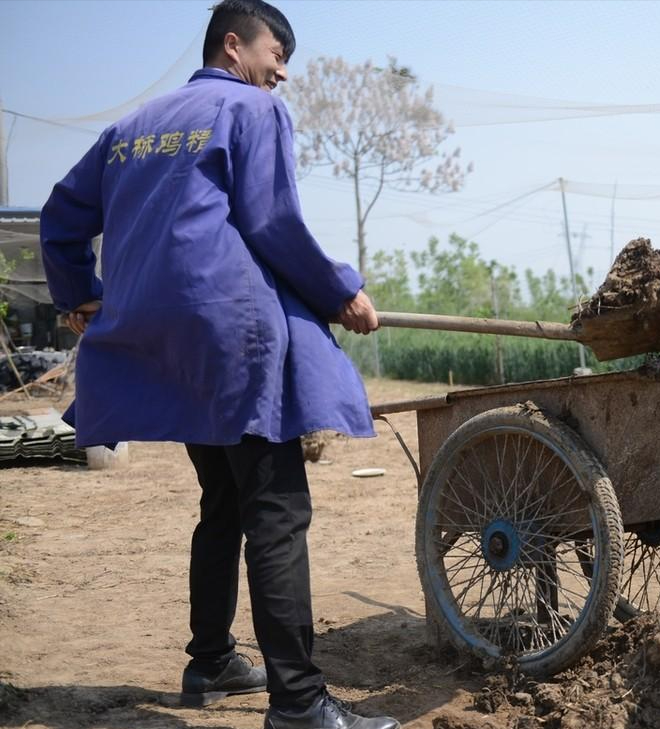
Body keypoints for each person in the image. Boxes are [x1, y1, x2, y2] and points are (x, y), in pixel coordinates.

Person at [40, 2, 399, 728]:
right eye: (277, 51)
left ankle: (210, 661)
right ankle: (299, 702)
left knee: (226, 501)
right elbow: (273, 222)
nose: (283, 70)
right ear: (233, 44)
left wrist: (80, 296)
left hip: (163, 346)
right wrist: (342, 292)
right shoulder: (251, 110)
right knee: (276, 508)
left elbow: (60, 217)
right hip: (233, 338)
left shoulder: (132, 129)